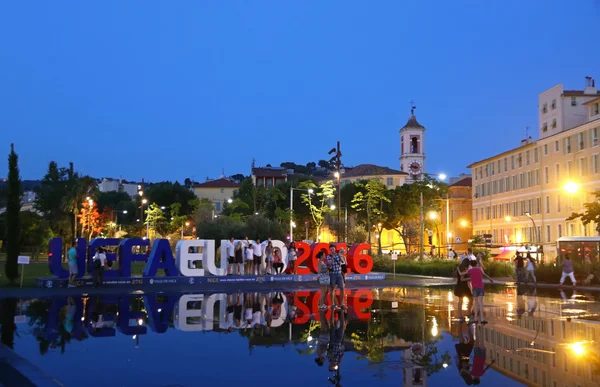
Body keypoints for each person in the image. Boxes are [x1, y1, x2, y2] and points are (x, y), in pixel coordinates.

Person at [464, 259, 494, 324]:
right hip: (481, 287)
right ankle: (482, 319)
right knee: (481, 303)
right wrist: (490, 279)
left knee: (476, 303)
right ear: (476, 264)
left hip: (475, 288)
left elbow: (463, 273)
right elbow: (484, 274)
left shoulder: (470, 270)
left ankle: (475, 318)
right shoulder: (479, 270)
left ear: (471, 265)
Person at [327, 244, 345, 310]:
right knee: (332, 289)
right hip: (332, 274)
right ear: (329, 250)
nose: (332, 250)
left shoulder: (338, 255)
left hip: (339, 273)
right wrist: (333, 258)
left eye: (333, 249)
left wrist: (340, 256)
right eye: (331, 249)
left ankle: (342, 304)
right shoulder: (329, 256)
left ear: (335, 249)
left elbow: (343, 262)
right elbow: (329, 264)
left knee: (342, 287)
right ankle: (332, 304)